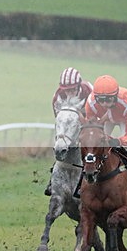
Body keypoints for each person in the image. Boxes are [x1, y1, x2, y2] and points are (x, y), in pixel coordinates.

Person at [77, 74, 127, 198]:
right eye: (100, 99)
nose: (104, 103)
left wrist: (117, 141)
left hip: (125, 118)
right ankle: (81, 183)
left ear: (116, 95)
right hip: (105, 119)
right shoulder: (91, 103)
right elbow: (91, 126)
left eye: (108, 99)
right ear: (95, 97)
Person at [44, 67, 93, 195]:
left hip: (89, 118)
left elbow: (94, 116)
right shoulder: (57, 96)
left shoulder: (88, 92)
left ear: (78, 86)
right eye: (67, 90)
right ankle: (53, 179)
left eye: (72, 89)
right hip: (69, 120)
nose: (69, 93)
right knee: (62, 144)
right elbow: (59, 120)